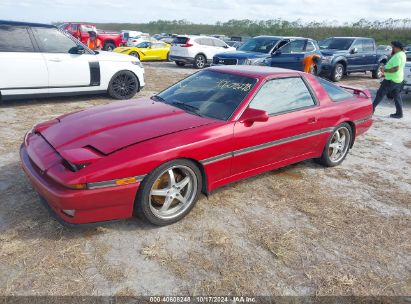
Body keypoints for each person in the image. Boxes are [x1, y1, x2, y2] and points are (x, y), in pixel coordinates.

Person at [373, 41, 406, 119]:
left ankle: (371, 110)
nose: (392, 48)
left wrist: (385, 70)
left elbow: (395, 69)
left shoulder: (398, 56)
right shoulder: (402, 54)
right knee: (397, 96)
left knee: (380, 94)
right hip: (398, 79)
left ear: (397, 47)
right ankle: (399, 113)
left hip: (391, 79)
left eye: (393, 47)